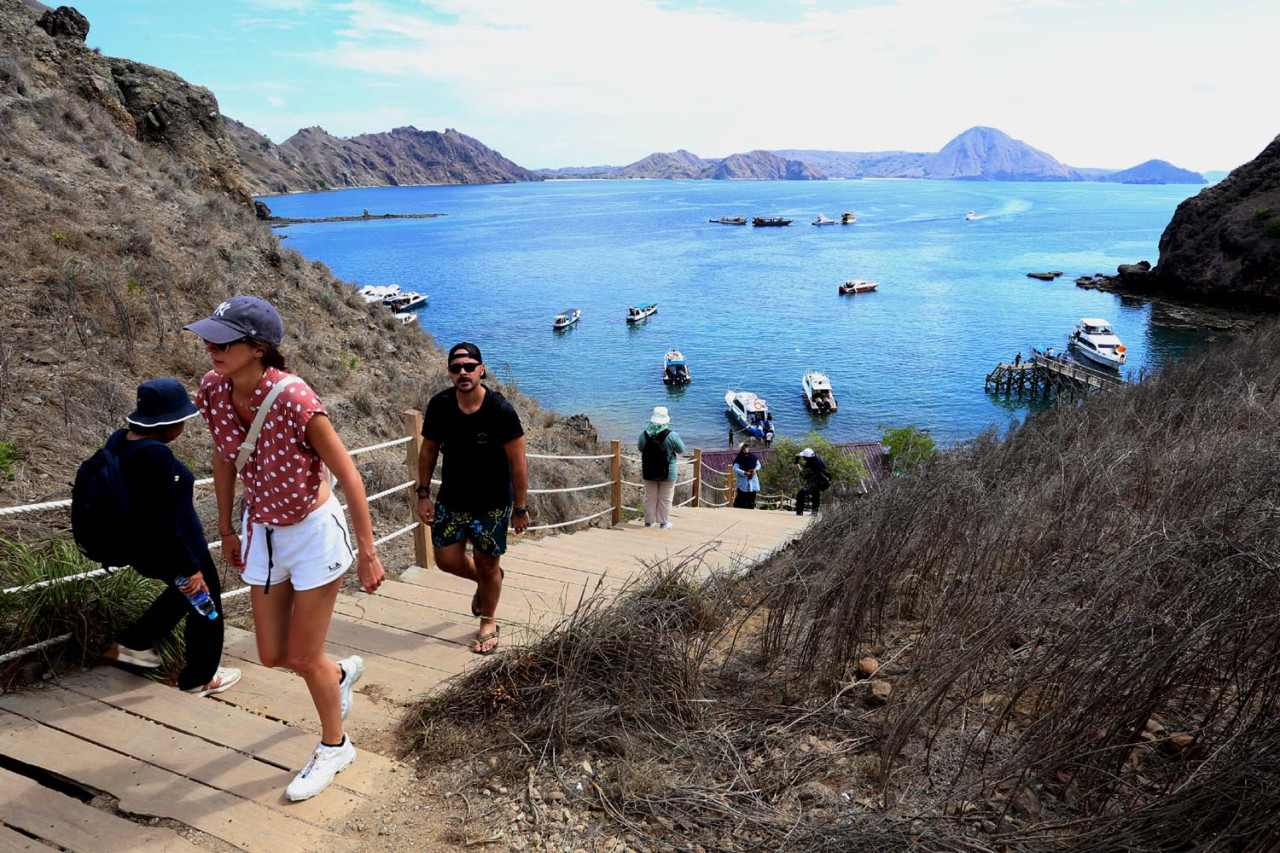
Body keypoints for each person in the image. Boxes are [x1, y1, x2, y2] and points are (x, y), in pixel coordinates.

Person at [186, 296, 386, 803]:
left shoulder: (295, 398)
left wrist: (368, 551)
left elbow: (349, 476)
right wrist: (228, 526)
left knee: (302, 653)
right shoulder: (213, 389)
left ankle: (335, 746)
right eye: (209, 337)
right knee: (272, 654)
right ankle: (338, 674)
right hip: (263, 531)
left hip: (314, 532)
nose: (211, 347)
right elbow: (226, 456)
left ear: (258, 348)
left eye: (224, 340)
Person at [102, 379, 241, 698]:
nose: (183, 425)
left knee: (183, 595)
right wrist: (191, 568)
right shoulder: (157, 461)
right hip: (177, 553)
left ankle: (131, 645)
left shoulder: (121, 442)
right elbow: (163, 522)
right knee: (207, 607)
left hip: (144, 548)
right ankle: (200, 678)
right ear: (167, 422)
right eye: (180, 419)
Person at [417, 342, 528, 657]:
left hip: (492, 502)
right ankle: (489, 581)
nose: (463, 373)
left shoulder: (500, 410)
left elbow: (518, 463)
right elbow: (428, 451)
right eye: (456, 368)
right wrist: (423, 495)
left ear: (481, 369)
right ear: (450, 372)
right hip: (452, 499)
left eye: (469, 367)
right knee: (446, 560)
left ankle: (488, 621)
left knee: (486, 561)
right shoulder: (439, 405)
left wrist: (520, 508)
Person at [638, 406, 685, 529]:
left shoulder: (644, 434)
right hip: (668, 473)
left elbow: (640, 448)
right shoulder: (672, 435)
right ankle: (663, 523)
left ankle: (649, 523)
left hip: (648, 471)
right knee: (665, 498)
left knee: (649, 497)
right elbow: (681, 449)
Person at [794, 447, 830, 517]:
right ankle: (814, 513)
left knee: (800, 494)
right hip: (820, 481)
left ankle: (799, 512)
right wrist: (799, 456)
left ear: (807, 458)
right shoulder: (818, 460)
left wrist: (799, 468)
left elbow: (804, 474)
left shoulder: (810, 464)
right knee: (816, 495)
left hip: (813, 482)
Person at [731, 442, 760, 509]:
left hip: (752, 477)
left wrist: (756, 469)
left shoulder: (752, 457)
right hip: (743, 479)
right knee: (742, 495)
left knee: (752, 494)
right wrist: (744, 472)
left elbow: (758, 464)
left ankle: (751, 506)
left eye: (746, 447)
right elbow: (735, 468)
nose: (745, 449)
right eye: (744, 448)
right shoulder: (739, 458)